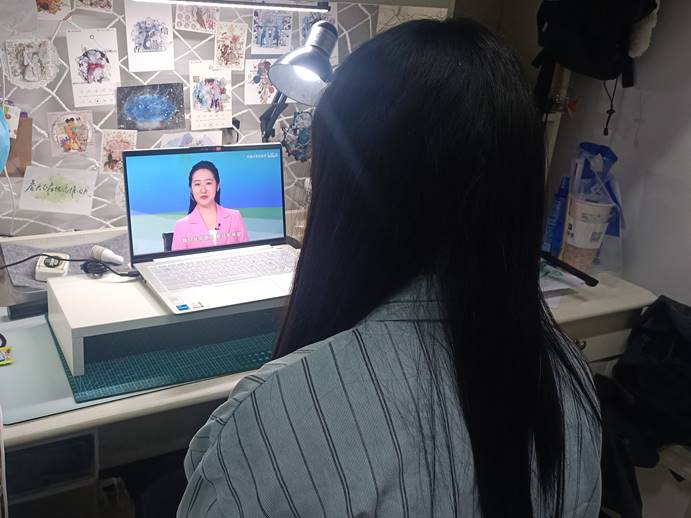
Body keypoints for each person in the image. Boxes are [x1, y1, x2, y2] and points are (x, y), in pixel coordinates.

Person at [178, 18, 601, 518]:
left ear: (344, 192)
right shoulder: (571, 381)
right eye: (196, 184)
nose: (203, 189)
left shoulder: (273, 415)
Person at [171, 160, 248, 252]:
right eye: (197, 184)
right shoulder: (182, 226)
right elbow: (179, 260)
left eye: (208, 183)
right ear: (191, 189)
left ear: (217, 186)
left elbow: (246, 253)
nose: (203, 190)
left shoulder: (235, 217)